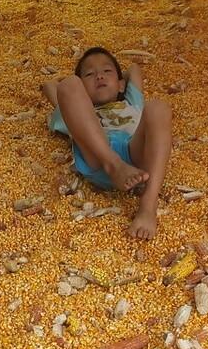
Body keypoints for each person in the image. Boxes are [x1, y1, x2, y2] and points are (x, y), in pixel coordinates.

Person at [42, 47, 172, 240]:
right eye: (89, 74)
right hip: (97, 157)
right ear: (83, 91)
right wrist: (84, 86)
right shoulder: (77, 112)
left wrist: (121, 78)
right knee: (68, 85)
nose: (99, 77)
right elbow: (50, 86)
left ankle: (148, 206)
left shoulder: (131, 103)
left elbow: (134, 69)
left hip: (134, 154)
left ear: (121, 85)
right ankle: (114, 164)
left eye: (106, 71)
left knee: (158, 107)